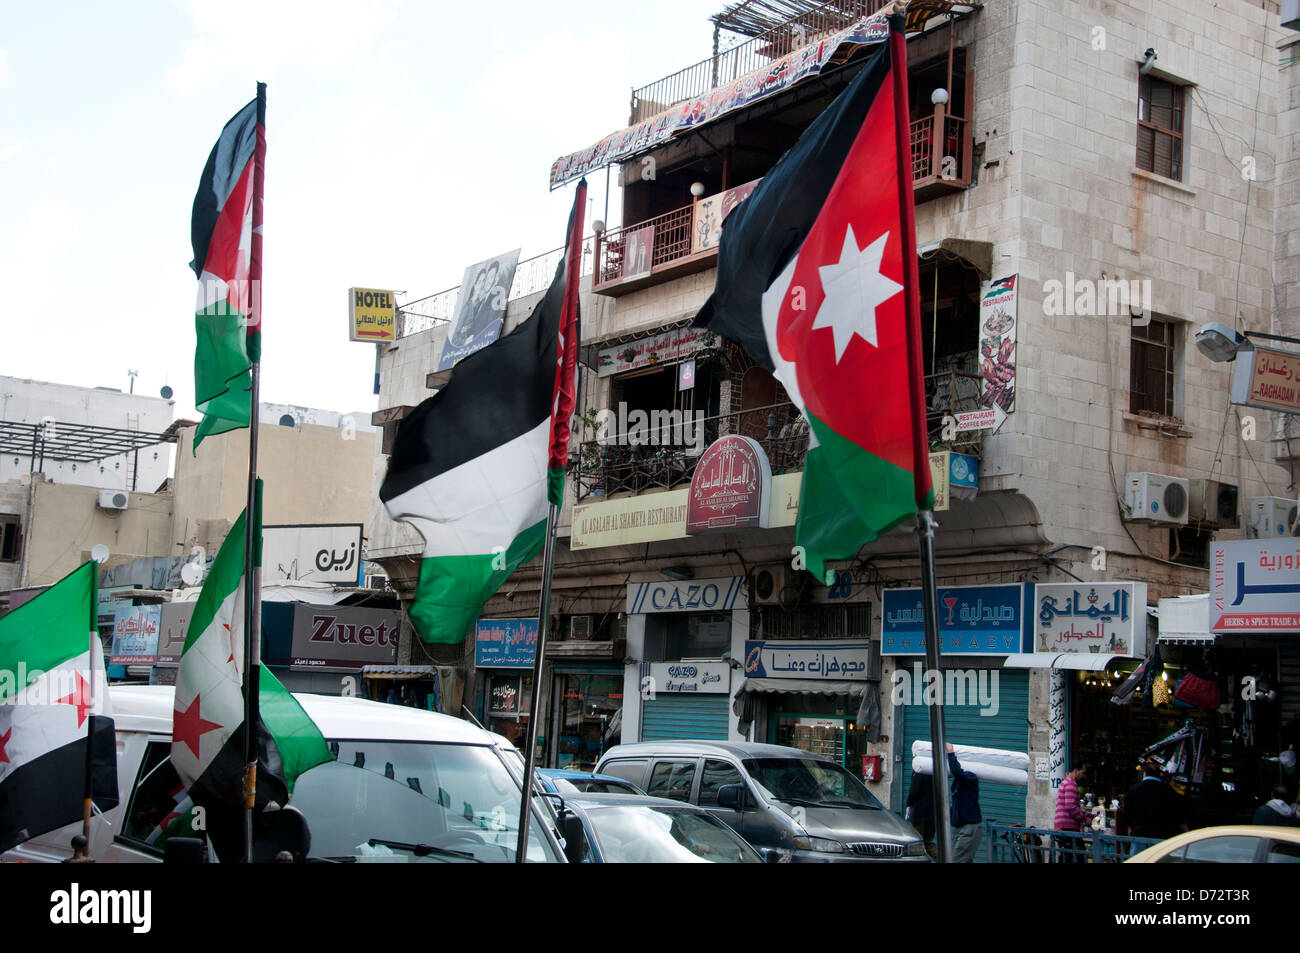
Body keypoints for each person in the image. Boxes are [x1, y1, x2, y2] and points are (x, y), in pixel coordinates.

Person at [1124, 760, 1188, 839]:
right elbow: (1179, 813)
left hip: (1140, 834)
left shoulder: (1133, 790)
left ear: (1144, 774)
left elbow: (1127, 813)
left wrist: (1130, 828)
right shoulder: (1168, 790)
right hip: (1162, 835)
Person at [946, 743, 982, 863]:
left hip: (969, 827)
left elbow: (957, 772)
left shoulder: (970, 778)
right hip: (960, 828)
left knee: (956, 860)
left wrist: (950, 752)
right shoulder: (958, 782)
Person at [1054, 761, 1092, 863]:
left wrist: (1089, 815)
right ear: (1076, 771)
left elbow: (1073, 806)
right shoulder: (1071, 784)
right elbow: (1071, 807)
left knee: (1068, 856)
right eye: (1082, 772)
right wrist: (1085, 819)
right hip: (1068, 827)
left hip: (1064, 826)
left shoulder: (1066, 782)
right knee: (1077, 856)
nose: (1083, 776)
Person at [906, 771, 937, 860]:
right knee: (927, 842)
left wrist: (908, 804)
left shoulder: (919, 772)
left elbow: (913, 792)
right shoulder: (934, 772)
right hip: (932, 815)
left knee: (916, 843)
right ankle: (943, 858)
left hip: (919, 815)